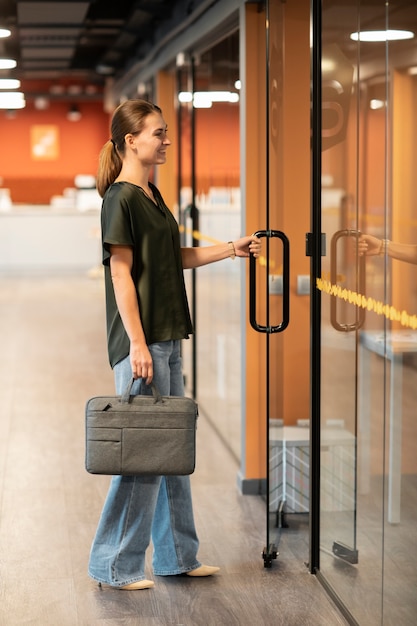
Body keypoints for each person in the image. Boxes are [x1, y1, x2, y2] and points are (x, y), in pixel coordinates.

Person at [88, 99, 261, 591]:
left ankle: (176, 557)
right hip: (142, 343)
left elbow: (172, 255)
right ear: (131, 141)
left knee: (171, 451)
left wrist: (231, 248)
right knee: (144, 456)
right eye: (158, 133)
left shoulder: (153, 195)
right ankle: (113, 566)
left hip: (167, 335)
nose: (166, 140)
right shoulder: (119, 199)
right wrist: (138, 344)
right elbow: (121, 275)